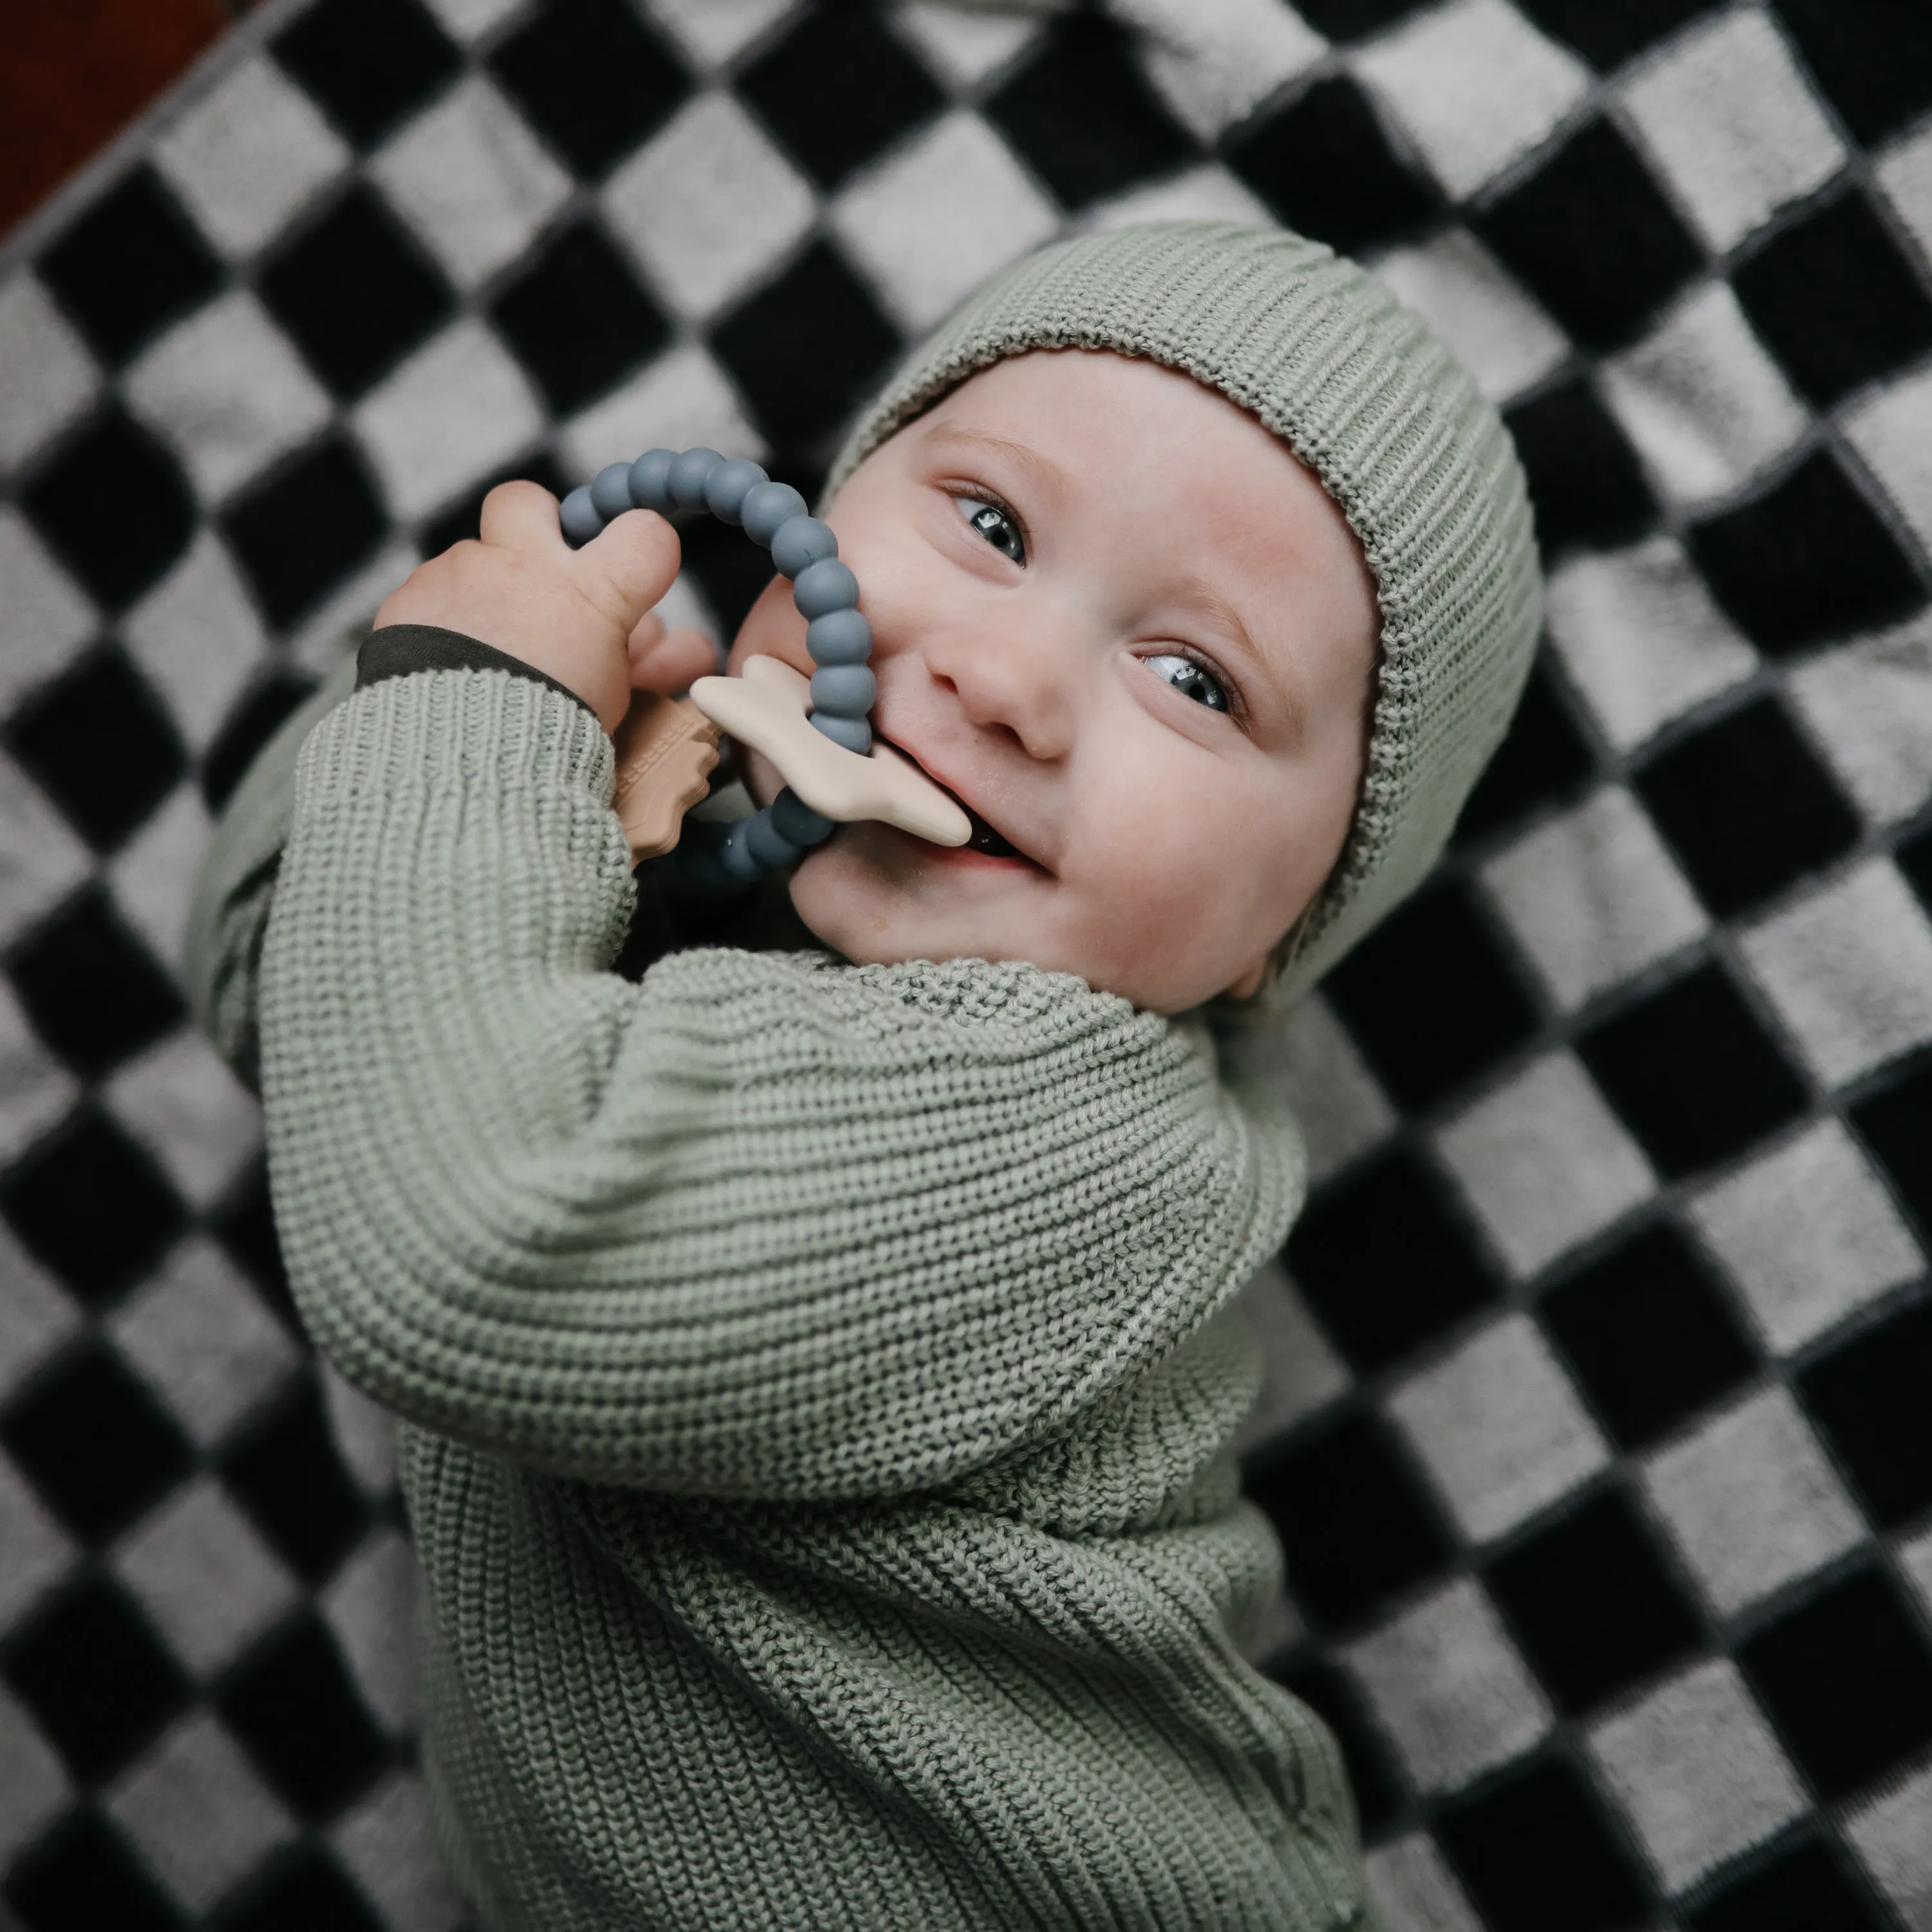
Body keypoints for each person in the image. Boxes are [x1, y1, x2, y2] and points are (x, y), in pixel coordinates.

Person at [187, 220, 1540, 1931]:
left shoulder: (1076, 1131)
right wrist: (546, 763)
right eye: (989, 526)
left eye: (1194, 680)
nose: (1010, 681)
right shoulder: (657, 900)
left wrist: (467, 703)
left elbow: (466, 1239)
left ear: (1280, 936)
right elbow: (273, 979)